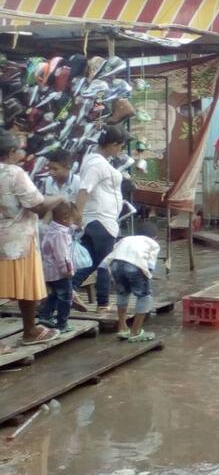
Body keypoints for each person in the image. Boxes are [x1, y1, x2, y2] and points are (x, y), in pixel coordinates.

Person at [0, 131, 63, 345]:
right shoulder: (13, 173)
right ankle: (30, 331)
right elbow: (37, 205)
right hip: (17, 242)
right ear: (10, 152)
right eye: (19, 149)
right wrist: (59, 198)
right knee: (28, 287)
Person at [71, 125, 126, 313]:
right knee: (105, 263)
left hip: (100, 221)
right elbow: (84, 189)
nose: (121, 150)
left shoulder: (99, 161)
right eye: (120, 146)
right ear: (112, 144)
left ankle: (68, 289)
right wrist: (77, 216)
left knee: (91, 261)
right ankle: (103, 303)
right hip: (99, 221)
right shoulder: (96, 164)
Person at [101, 222, 160, 342]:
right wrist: (147, 279)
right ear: (155, 237)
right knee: (144, 297)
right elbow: (150, 264)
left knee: (122, 293)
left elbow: (114, 252)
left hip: (115, 264)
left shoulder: (126, 239)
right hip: (134, 265)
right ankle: (136, 331)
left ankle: (122, 328)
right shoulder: (153, 243)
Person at [38, 201, 76, 333]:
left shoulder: (50, 229)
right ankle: (62, 323)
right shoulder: (60, 234)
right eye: (72, 218)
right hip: (60, 272)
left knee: (54, 294)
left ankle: (45, 316)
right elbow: (62, 254)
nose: (73, 222)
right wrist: (68, 270)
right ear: (65, 218)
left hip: (49, 271)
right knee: (65, 297)